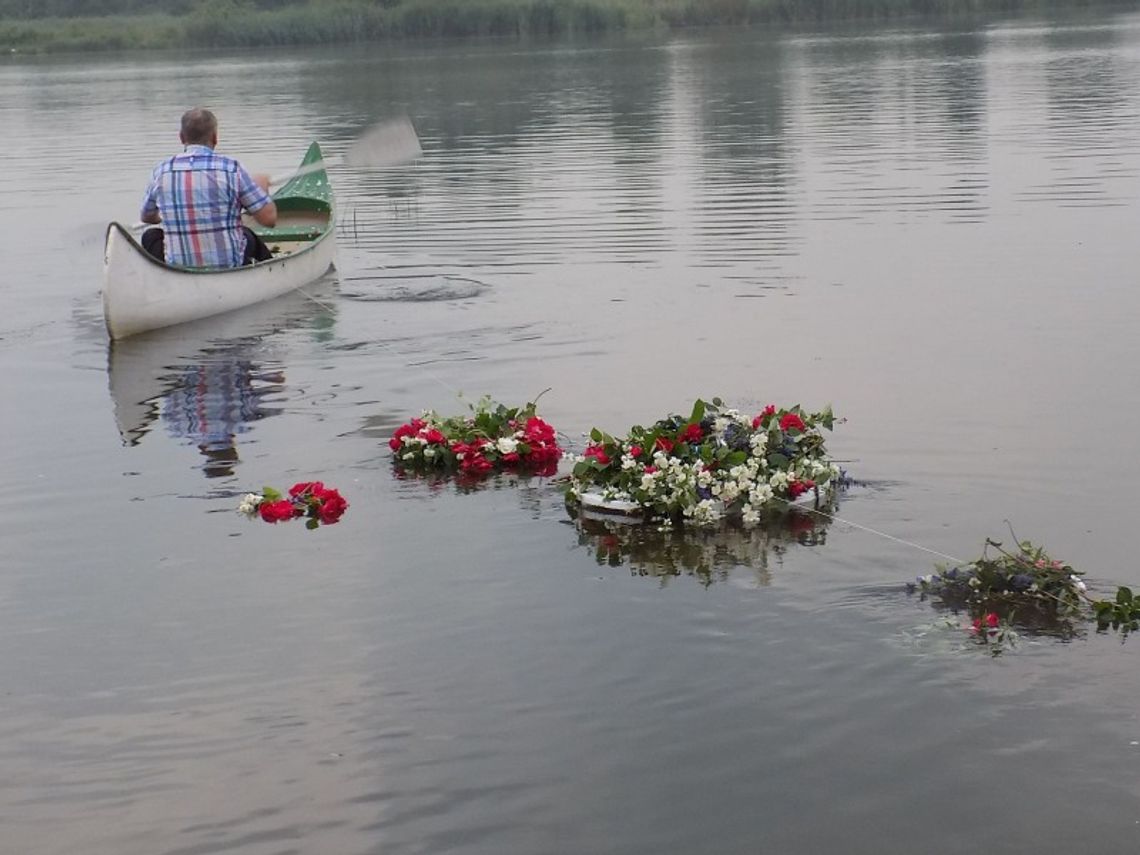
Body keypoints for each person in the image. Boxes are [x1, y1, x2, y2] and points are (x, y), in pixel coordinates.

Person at [140, 108, 277, 268]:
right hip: (228, 265)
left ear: (181, 137)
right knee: (248, 234)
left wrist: (171, 215)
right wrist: (261, 188)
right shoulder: (232, 169)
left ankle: (165, 274)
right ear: (215, 137)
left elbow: (146, 217)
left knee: (150, 236)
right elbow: (269, 220)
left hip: (178, 266)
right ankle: (274, 272)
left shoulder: (161, 171)